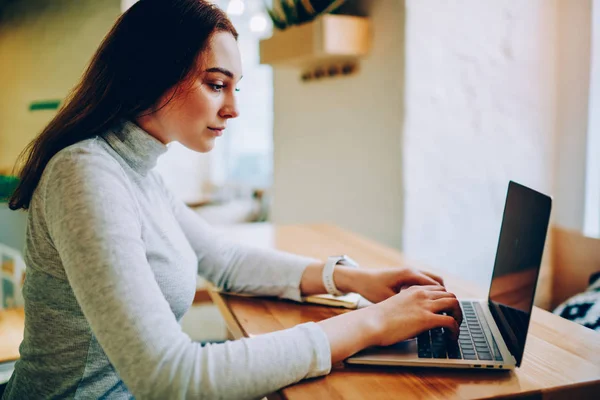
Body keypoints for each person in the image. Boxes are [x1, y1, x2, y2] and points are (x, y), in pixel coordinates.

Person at [3, 0, 462, 398]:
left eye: (235, 87)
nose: (234, 108)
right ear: (152, 74)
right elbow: (169, 377)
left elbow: (223, 259)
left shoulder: (136, 170)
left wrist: (350, 279)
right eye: (216, 83)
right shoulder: (86, 174)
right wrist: (371, 325)